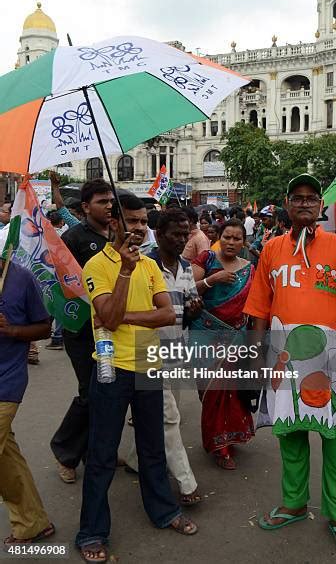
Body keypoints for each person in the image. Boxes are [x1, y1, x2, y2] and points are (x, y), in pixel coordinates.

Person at [244, 173, 336, 555]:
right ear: (287, 204)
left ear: (320, 206)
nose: (304, 203)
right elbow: (259, 308)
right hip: (285, 359)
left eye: (311, 198)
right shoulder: (271, 249)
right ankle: (294, 503)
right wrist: (255, 357)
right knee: (291, 436)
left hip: (332, 362)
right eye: (297, 197)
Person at [76, 195, 197, 563]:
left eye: (144, 221)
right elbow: (107, 318)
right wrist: (124, 273)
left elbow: (167, 316)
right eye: (133, 220)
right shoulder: (96, 266)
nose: (141, 228)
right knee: (101, 454)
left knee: (152, 447)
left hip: (149, 362)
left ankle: (164, 510)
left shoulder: (150, 264)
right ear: (114, 223)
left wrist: (125, 316)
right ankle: (92, 531)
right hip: (111, 368)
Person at [126, 208, 202, 505]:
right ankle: (186, 484)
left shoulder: (185, 266)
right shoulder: (144, 265)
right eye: (176, 234)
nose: (182, 239)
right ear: (159, 235)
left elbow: (190, 302)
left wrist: (193, 309)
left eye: (186, 234)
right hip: (148, 354)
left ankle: (134, 460)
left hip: (176, 352)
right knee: (169, 418)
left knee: (159, 414)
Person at [50, 178, 113, 484]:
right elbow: (61, 282)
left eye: (111, 200)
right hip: (82, 330)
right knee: (90, 393)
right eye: (103, 201)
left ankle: (96, 452)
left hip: (114, 328)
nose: (109, 206)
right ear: (86, 207)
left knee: (107, 390)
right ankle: (65, 452)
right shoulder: (73, 238)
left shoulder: (120, 234)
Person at [0, 237, 55, 544]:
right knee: (5, 455)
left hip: (5, 383)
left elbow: (44, 327)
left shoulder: (20, 278)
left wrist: (11, 330)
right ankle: (32, 521)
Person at [191, 219, 255, 470]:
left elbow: (256, 304)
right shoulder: (206, 259)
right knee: (211, 393)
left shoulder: (249, 268)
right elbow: (185, 291)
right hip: (204, 334)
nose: (231, 242)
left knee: (231, 393)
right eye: (227, 237)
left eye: (236, 238)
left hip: (236, 337)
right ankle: (217, 444)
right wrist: (212, 280)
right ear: (219, 237)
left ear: (243, 241)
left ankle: (228, 440)